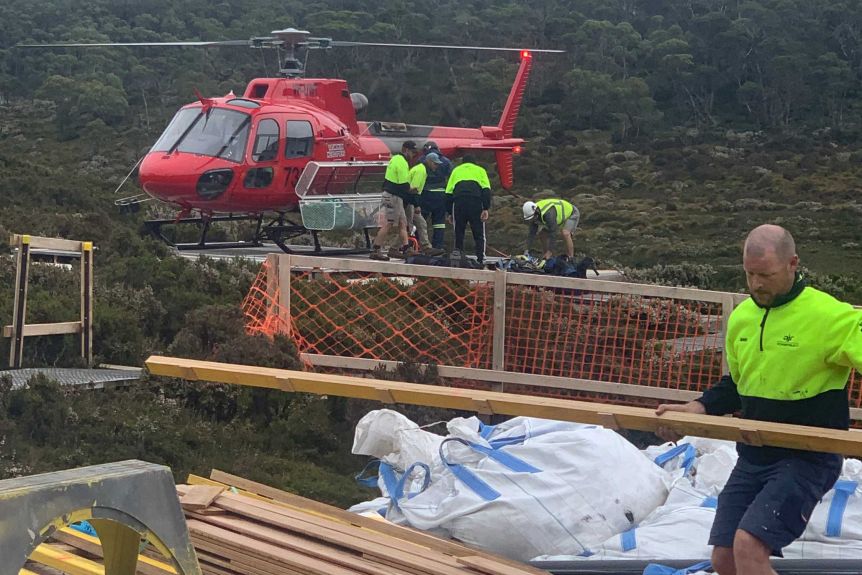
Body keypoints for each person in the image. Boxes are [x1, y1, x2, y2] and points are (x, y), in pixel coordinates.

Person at [655, 224, 862, 575]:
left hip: (807, 457)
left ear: (793, 264)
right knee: (725, 559)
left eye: (765, 275)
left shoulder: (830, 317)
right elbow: (738, 383)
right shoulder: (742, 318)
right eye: (750, 274)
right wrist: (698, 407)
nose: (756, 285)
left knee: (749, 549)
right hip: (754, 455)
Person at [371, 141, 418, 261]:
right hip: (394, 196)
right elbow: (404, 185)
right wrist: (414, 191)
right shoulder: (402, 162)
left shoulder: (395, 159)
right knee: (389, 223)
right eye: (412, 152)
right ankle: (376, 250)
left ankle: (407, 248)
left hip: (389, 194)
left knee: (403, 223)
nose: (413, 155)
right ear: (405, 150)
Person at [445, 155, 491, 264]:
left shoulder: (456, 171)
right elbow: (486, 190)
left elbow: (448, 193)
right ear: (474, 163)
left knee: (459, 232)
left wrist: (449, 213)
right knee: (479, 233)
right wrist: (485, 208)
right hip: (475, 202)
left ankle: (458, 257)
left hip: (459, 202)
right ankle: (480, 258)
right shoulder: (480, 170)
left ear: (462, 162)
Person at [406, 153, 446, 257]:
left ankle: (426, 247)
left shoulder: (422, 170)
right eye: (435, 164)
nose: (436, 166)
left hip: (411, 201)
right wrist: (416, 205)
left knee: (422, 223)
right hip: (409, 201)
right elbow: (413, 190)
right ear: (429, 161)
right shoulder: (421, 171)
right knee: (409, 226)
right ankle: (404, 247)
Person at [418, 141, 453, 250]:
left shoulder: (422, 160)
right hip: (441, 195)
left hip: (425, 194)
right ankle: (438, 246)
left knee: (420, 221)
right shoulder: (446, 161)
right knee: (439, 223)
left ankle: (418, 245)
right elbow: (451, 176)